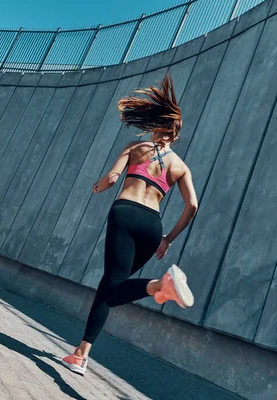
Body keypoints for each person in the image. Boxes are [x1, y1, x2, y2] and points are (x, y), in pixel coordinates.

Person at [62, 73, 198, 376]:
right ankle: (81, 353)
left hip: (125, 214)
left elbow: (111, 179)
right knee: (112, 283)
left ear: (155, 125)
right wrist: (168, 239)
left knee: (113, 288)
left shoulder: (135, 148)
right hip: (152, 226)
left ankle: (159, 287)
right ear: (175, 135)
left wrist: (96, 187)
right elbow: (193, 206)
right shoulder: (180, 166)